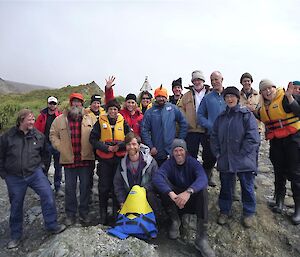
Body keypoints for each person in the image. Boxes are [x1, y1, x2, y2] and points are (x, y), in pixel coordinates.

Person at [0, 109, 66, 249]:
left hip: (34, 173)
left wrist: (42, 167)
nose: (32, 122)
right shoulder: (7, 137)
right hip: (14, 177)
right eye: (29, 120)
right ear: (20, 120)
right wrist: (4, 174)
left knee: (48, 196)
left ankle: (52, 225)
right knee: (16, 205)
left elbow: (45, 154)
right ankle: (15, 236)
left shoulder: (39, 136)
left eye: (33, 119)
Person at [152, 139, 215, 257]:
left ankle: (201, 238)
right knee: (163, 188)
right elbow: (157, 177)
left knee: (202, 192)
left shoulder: (193, 163)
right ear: (172, 153)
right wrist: (171, 194)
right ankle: (175, 220)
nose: (178, 153)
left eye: (181, 150)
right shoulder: (169, 163)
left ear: (185, 151)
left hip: (189, 200)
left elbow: (203, 178)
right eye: (175, 150)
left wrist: (188, 192)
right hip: (175, 202)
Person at [210, 87, 260, 227]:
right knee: (225, 186)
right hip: (225, 158)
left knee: (247, 186)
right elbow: (213, 137)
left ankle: (249, 212)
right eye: (227, 97)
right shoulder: (220, 117)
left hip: (244, 158)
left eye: (232, 96)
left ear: (238, 98)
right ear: (224, 99)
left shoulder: (246, 115)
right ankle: (224, 211)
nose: (230, 99)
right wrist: (218, 153)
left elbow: (253, 137)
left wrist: (242, 153)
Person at [255, 79, 300, 225]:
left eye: (270, 88)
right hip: (276, 141)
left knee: (295, 173)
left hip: (293, 140)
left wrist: (290, 97)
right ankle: (279, 201)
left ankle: (298, 209)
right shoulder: (262, 106)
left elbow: (298, 111)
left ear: (275, 88)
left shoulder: (286, 98)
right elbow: (259, 115)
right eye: (264, 90)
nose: (268, 91)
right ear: (261, 92)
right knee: (278, 171)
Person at [50, 93, 95, 226]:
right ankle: (70, 214)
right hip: (69, 160)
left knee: (85, 187)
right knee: (70, 189)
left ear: (82, 104)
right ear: (70, 103)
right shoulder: (59, 119)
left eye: (79, 102)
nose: (76, 104)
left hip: (85, 159)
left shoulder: (90, 118)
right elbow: (53, 134)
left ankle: (84, 213)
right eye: (74, 102)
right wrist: (60, 147)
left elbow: (97, 134)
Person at [89, 98, 131, 224]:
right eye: (111, 109)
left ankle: (115, 214)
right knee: (103, 187)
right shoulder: (100, 122)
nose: (113, 111)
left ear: (118, 111)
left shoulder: (123, 122)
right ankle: (102, 214)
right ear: (107, 110)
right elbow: (93, 139)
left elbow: (130, 138)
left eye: (115, 109)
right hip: (105, 160)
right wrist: (106, 148)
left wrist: (120, 146)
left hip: (118, 160)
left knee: (116, 187)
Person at [141, 85, 188, 166]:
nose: (161, 99)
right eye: (158, 96)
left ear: (166, 97)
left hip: (172, 150)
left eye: (163, 96)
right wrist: (151, 146)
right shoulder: (150, 112)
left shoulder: (173, 109)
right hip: (157, 151)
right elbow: (144, 130)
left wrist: (180, 140)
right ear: (155, 97)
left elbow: (183, 123)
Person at [113, 132, 158, 211]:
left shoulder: (150, 162)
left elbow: (156, 180)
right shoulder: (122, 164)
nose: (131, 147)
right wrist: (121, 201)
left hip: (145, 195)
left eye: (134, 144)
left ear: (139, 145)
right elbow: (118, 184)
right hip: (130, 196)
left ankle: (157, 219)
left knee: (152, 196)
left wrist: (142, 190)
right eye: (128, 144)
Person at [197, 71, 226, 186]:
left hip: (227, 136)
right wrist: (210, 125)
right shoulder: (207, 98)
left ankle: (229, 190)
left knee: (227, 163)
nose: (214, 82)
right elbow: (200, 115)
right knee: (208, 160)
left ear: (222, 79)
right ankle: (205, 182)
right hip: (211, 135)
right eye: (212, 80)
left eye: (216, 79)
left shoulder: (229, 95)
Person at [34, 96, 63, 197]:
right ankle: (45, 188)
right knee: (44, 167)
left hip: (57, 144)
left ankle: (57, 187)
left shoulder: (60, 115)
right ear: (47, 103)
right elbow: (36, 129)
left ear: (57, 104)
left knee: (58, 167)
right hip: (45, 144)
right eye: (50, 103)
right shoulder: (42, 115)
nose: (52, 105)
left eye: (54, 103)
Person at [178, 70, 209, 159]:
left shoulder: (210, 93)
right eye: (194, 80)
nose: (197, 82)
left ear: (203, 81)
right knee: (191, 155)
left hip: (206, 130)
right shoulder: (186, 95)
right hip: (192, 130)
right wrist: (186, 120)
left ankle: (207, 172)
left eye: (199, 79)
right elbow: (180, 108)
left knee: (208, 155)